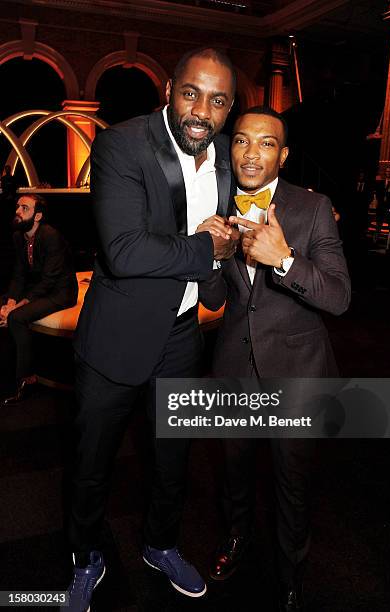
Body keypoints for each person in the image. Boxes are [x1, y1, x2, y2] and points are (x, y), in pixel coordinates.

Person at [63, 47, 239, 611]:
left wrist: (223, 261)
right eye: (191, 93)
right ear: (169, 88)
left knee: (172, 462)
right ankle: (85, 555)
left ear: (229, 108)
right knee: (92, 464)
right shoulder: (122, 143)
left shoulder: (228, 164)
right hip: (115, 336)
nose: (201, 111)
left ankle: (160, 545)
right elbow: (122, 250)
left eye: (217, 101)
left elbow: (226, 246)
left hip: (183, 336)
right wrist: (205, 248)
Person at [201, 106, 351, 611]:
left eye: (266, 143)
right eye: (242, 141)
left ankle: (291, 572)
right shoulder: (217, 206)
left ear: (282, 156)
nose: (251, 152)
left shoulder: (312, 208)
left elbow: (338, 297)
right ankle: (237, 539)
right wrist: (211, 255)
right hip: (235, 372)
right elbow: (217, 301)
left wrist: (284, 259)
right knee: (234, 473)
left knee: (291, 485)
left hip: (297, 374)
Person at [0, 194, 78, 404]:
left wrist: (22, 302)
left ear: (38, 216)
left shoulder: (50, 235)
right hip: (39, 288)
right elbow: (19, 274)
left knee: (17, 317)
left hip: (61, 292)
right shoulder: (19, 236)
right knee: (5, 307)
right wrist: (10, 301)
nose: (18, 211)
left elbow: (50, 280)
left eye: (25, 208)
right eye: (17, 207)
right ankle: (9, 367)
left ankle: (26, 379)